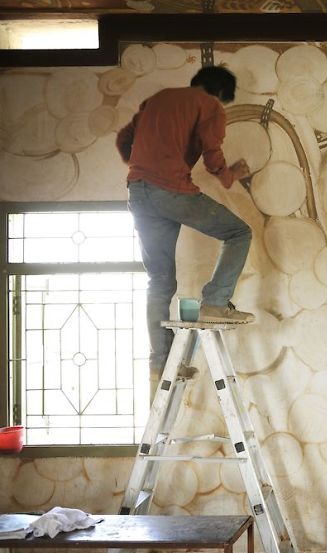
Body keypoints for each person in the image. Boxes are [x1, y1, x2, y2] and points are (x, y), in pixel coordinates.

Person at [116, 65, 254, 383]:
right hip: (170, 191)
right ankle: (215, 302)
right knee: (238, 232)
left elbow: (124, 139)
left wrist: (140, 165)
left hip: (138, 192)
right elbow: (212, 154)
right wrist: (230, 175)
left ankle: (161, 363)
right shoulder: (209, 105)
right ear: (219, 92)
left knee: (160, 281)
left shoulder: (157, 100)